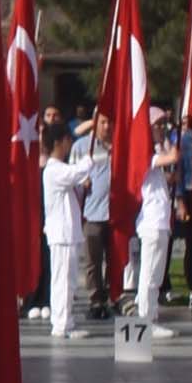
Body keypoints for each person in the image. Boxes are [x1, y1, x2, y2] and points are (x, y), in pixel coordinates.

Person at [39, 108, 85, 343]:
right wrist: (91, 158)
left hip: (68, 233)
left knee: (69, 280)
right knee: (63, 281)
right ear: (59, 142)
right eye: (68, 140)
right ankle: (61, 324)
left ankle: (66, 320)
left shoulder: (59, 170)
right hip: (61, 234)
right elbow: (76, 173)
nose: (69, 144)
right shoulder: (53, 170)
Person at [127, 126, 178, 338]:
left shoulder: (152, 159)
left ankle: (150, 315)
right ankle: (144, 319)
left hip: (159, 222)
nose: (158, 131)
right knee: (149, 274)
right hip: (152, 223)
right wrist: (173, 136)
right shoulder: (143, 157)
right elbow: (174, 155)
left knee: (155, 274)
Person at [81, 106, 114, 315]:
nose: (106, 126)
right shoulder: (82, 146)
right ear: (94, 122)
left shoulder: (122, 144)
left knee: (115, 259)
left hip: (115, 214)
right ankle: (95, 300)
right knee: (93, 260)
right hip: (91, 213)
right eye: (102, 122)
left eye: (110, 121)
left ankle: (111, 296)